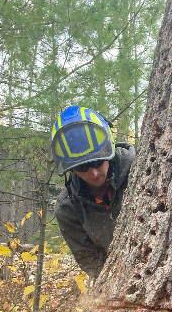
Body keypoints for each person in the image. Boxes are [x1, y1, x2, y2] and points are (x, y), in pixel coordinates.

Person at [51, 105, 135, 278]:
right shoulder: (68, 207)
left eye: (97, 162)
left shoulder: (139, 170)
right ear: (70, 168)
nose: (94, 173)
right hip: (118, 277)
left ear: (108, 151)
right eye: (82, 167)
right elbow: (90, 259)